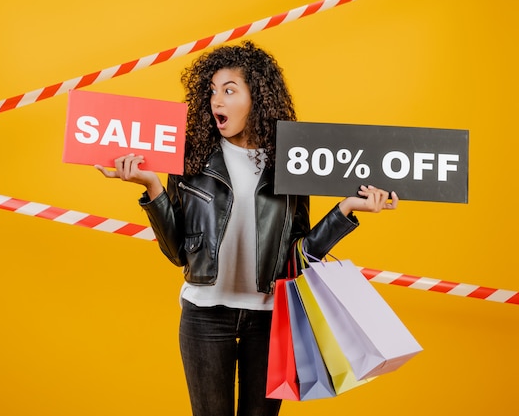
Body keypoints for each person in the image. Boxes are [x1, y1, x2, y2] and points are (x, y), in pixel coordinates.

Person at [96, 41, 398, 416]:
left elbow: (298, 256)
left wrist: (345, 210)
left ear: (257, 97)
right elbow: (177, 254)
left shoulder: (289, 165)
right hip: (204, 317)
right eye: (211, 91)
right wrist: (152, 188)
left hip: (269, 319)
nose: (216, 101)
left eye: (229, 90)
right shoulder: (190, 160)